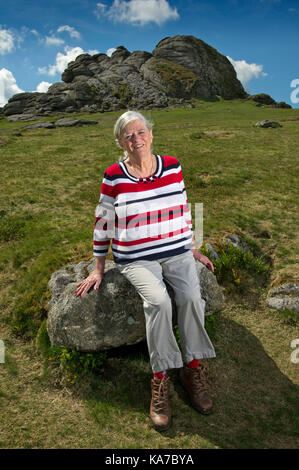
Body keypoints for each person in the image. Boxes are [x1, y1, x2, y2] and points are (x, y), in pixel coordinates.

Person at [75, 110, 216, 432]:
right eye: (129, 136)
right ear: (120, 142)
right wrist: (98, 268)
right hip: (136, 258)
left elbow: (182, 206)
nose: (136, 139)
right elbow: (103, 222)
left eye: (141, 133)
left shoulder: (173, 165)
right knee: (159, 302)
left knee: (192, 297)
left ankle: (192, 369)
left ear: (151, 134)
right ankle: (161, 378)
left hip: (177, 251)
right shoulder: (114, 175)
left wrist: (192, 246)